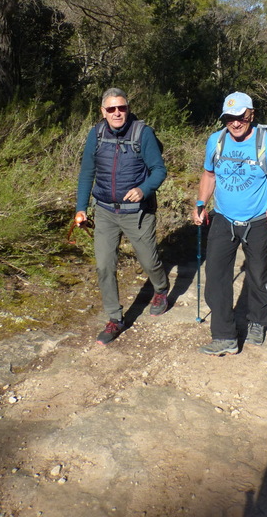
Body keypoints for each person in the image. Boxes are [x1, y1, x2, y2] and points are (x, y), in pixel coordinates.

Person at [192, 92, 267, 356]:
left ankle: (258, 321)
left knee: (258, 276)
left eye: (240, 117)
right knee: (215, 277)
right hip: (222, 218)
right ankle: (225, 336)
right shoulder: (216, 140)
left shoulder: (266, 143)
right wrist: (201, 203)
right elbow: (209, 174)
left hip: (258, 219)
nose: (235, 123)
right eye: (229, 118)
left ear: (251, 115)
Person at [75, 88, 169, 345]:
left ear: (128, 108)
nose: (117, 113)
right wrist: (81, 208)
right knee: (104, 265)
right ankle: (115, 318)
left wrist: (144, 189)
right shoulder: (96, 133)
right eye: (111, 109)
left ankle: (160, 289)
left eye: (122, 108)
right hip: (105, 211)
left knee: (149, 261)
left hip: (137, 212)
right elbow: (86, 172)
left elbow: (159, 170)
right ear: (102, 111)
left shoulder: (143, 133)